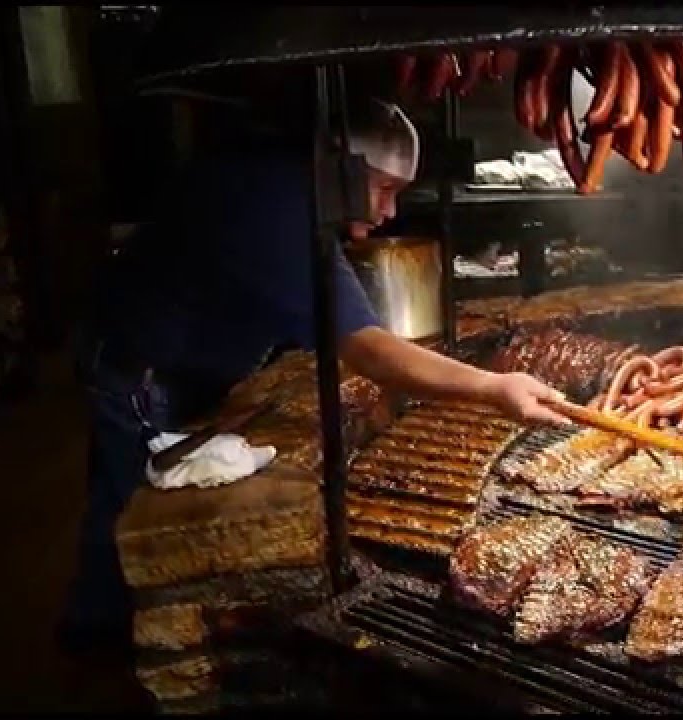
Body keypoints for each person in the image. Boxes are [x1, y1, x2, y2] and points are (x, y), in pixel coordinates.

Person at [60, 96, 568, 653]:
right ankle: (97, 641)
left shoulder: (289, 185)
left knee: (125, 502)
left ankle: (102, 621)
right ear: (343, 168)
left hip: (181, 361)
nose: (389, 212)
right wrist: (494, 387)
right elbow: (370, 352)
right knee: (128, 505)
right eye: (384, 190)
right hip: (139, 364)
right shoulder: (273, 205)